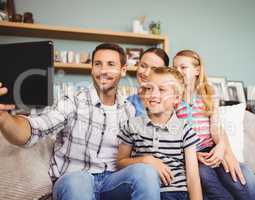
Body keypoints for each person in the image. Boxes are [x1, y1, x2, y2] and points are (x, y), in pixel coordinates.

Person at [0, 43, 160, 200]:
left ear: (123, 70)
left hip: (112, 182)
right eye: (98, 64)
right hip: (74, 179)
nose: (103, 70)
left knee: (145, 172)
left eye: (111, 64)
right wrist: (5, 118)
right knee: (79, 181)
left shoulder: (129, 110)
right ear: (92, 68)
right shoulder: (72, 101)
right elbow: (36, 128)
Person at [173, 49, 255, 200]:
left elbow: (215, 127)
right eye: (174, 67)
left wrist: (221, 147)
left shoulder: (208, 94)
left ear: (197, 70)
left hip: (212, 148)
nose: (178, 71)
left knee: (239, 175)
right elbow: (174, 135)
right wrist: (195, 155)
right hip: (192, 154)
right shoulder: (174, 97)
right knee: (205, 176)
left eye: (183, 67)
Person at [117, 67, 202, 200]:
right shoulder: (132, 125)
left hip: (176, 194)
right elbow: (120, 163)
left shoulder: (185, 130)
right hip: (142, 191)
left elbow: (193, 177)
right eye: (149, 88)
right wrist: (145, 160)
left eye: (162, 90)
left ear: (177, 99)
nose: (153, 94)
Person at [127, 47, 169, 116]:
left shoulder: (171, 103)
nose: (146, 73)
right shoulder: (128, 102)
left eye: (154, 69)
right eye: (143, 66)